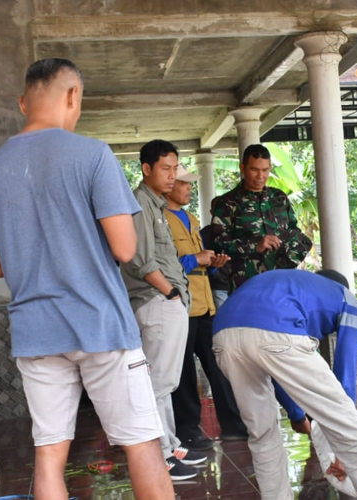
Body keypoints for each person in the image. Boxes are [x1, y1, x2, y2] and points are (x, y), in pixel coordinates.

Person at [0, 58, 175, 500]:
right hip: (101, 324)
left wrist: (33, 249)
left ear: (24, 102)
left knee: (48, 456)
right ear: (73, 95)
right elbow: (124, 248)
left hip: (36, 331)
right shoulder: (93, 155)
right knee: (141, 444)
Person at [212, 269, 357, 500]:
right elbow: (346, 372)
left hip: (223, 335)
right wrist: (342, 440)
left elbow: (276, 369)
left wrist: (297, 416)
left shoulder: (290, 287)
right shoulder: (348, 299)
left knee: (262, 433)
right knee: (348, 424)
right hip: (276, 329)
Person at [120, 140, 207, 481]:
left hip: (168, 303)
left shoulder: (155, 205)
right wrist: (170, 293)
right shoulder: (140, 204)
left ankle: (170, 445)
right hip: (157, 302)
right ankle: (157, 456)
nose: (173, 176)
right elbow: (141, 260)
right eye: (166, 169)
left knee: (165, 382)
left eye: (175, 168)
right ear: (146, 169)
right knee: (156, 384)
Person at [164, 165, 249, 451]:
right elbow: (156, 265)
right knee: (185, 370)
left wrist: (213, 265)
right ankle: (188, 430)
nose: (189, 188)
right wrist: (195, 260)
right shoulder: (158, 219)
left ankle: (234, 425)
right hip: (180, 306)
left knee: (220, 363)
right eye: (184, 183)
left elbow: (199, 264)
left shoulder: (190, 218)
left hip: (205, 303)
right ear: (169, 183)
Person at [210, 144, 312, 292]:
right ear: (242, 168)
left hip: (281, 282)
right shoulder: (227, 203)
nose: (260, 176)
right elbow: (218, 244)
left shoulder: (279, 197)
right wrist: (255, 246)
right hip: (246, 285)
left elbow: (293, 231)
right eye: (254, 170)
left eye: (265, 170)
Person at [200, 196, 230, 309]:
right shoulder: (205, 233)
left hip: (239, 284)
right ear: (212, 212)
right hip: (218, 285)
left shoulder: (239, 230)